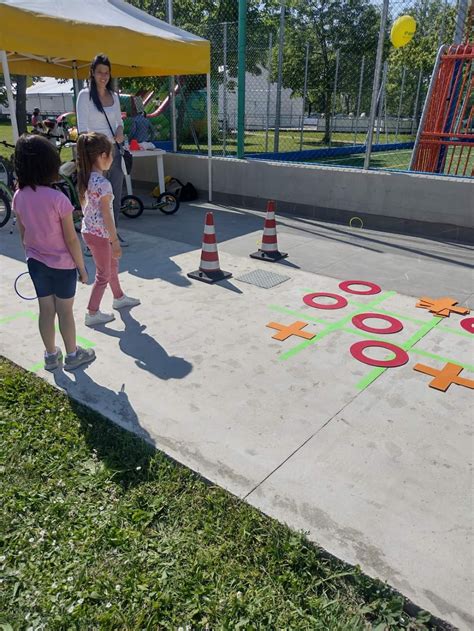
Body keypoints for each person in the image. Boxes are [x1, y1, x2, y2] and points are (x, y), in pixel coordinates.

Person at [12, 134, 95, 372]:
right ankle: (72, 355)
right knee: (65, 311)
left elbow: (23, 232)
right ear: (49, 165)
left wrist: (30, 256)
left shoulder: (19, 196)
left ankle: (50, 355)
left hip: (36, 263)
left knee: (45, 310)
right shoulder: (58, 199)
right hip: (62, 266)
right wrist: (81, 268)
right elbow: (71, 239)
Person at [77, 132, 140, 327]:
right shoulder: (104, 184)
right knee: (103, 274)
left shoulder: (86, 178)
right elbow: (108, 215)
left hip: (91, 232)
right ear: (102, 156)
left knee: (111, 267)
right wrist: (115, 241)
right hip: (100, 235)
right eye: (111, 155)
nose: (112, 159)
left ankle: (119, 297)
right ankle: (92, 312)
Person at [76, 54, 128, 247]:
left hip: (113, 151)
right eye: (100, 72)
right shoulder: (85, 96)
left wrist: (120, 131)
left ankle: (113, 234)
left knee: (115, 194)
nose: (103, 76)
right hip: (94, 155)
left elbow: (119, 122)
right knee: (94, 198)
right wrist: (95, 152)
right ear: (92, 73)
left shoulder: (113, 96)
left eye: (106, 72)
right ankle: (95, 238)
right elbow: (82, 130)